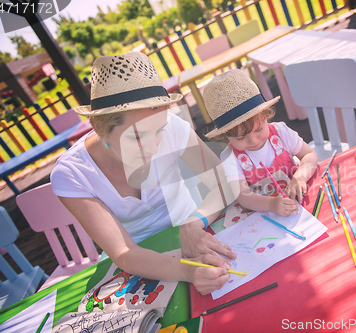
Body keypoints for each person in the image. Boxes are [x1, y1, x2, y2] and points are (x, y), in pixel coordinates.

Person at [50, 52, 236, 295]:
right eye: (137, 136)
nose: (154, 147)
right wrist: (188, 271)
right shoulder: (71, 174)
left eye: (159, 130)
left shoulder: (174, 127)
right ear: (99, 127)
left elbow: (224, 183)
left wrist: (195, 221)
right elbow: (124, 254)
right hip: (137, 267)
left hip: (195, 234)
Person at [203, 69, 318, 217]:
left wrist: (300, 177)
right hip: (265, 214)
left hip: (303, 198)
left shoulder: (281, 133)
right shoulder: (230, 157)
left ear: (266, 115)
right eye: (240, 137)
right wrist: (270, 204)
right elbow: (243, 196)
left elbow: (309, 154)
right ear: (226, 136)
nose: (253, 140)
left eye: (258, 129)